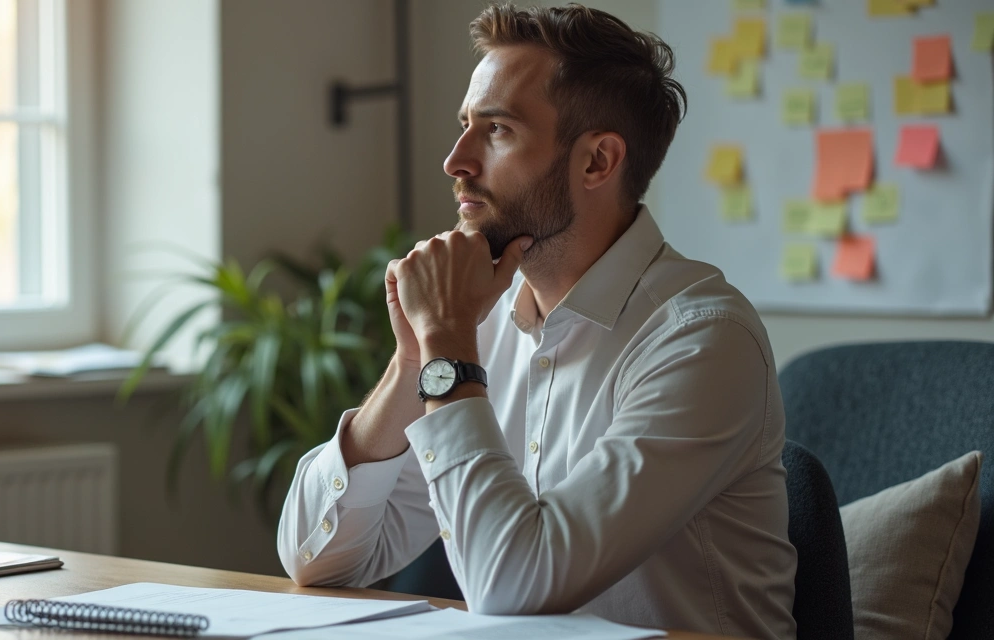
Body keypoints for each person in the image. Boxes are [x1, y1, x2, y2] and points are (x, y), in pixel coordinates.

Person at [277, 4, 797, 638]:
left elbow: (514, 586)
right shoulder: (480, 324)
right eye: (465, 125)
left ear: (597, 162)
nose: (455, 160)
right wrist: (416, 358)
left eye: (496, 130)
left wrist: (446, 351)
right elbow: (316, 558)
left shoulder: (703, 342)